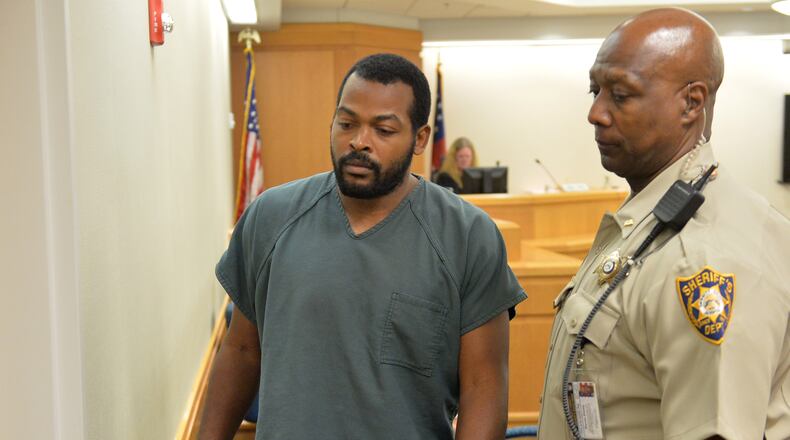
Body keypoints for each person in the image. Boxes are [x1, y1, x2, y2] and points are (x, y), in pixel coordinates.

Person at [199, 53, 527, 440]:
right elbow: (240, 352)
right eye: (347, 123)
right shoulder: (271, 216)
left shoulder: (469, 236)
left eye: (383, 130)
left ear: (420, 138)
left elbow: (483, 387)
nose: (358, 142)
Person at [538, 8, 790, 440]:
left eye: (620, 94)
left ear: (691, 103)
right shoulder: (652, 220)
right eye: (595, 90)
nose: (595, 113)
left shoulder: (703, 259)